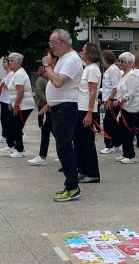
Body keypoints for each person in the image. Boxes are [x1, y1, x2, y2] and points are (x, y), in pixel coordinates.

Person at [43, 28, 84, 201]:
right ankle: (70, 184)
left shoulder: (73, 59)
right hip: (59, 107)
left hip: (66, 107)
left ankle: (73, 187)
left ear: (65, 42)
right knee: (63, 146)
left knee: (65, 147)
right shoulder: (63, 58)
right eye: (50, 43)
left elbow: (58, 81)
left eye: (54, 43)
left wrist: (46, 66)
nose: (51, 47)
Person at [74, 42, 102, 182]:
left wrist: (90, 112)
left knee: (86, 142)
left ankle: (93, 173)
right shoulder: (87, 68)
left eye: (83, 50)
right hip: (81, 108)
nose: (81, 51)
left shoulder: (92, 69)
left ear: (89, 53)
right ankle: (83, 170)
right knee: (79, 141)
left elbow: (92, 91)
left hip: (86, 109)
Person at [113, 52, 139, 164]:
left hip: (131, 107)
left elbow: (131, 93)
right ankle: (126, 153)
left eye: (122, 61)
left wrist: (119, 101)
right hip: (123, 107)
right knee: (123, 130)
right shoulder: (123, 74)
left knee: (127, 130)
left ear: (130, 63)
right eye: (119, 60)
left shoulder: (132, 75)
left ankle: (131, 155)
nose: (119, 63)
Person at [3, 52, 34, 158]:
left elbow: (20, 92)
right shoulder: (16, 73)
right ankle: (14, 146)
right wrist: (12, 104)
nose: (10, 63)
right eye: (9, 61)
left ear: (18, 63)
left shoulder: (20, 74)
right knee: (10, 124)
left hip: (24, 105)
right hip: (19, 104)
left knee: (16, 127)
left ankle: (20, 149)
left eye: (12, 61)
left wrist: (16, 105)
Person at [29, 52, 58, 166]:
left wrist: (48, 104)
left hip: (57, 107)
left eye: (48, 57)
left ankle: (44, 156)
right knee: (48, 130)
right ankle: (43, 156)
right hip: (51, 107)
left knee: (57, 132)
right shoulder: (51, 73)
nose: (45, 58)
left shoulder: (56, 71)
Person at [99, 51, 122, 154]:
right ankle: (117, 143)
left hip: (112, 99)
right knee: (113, 122)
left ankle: (109, 145)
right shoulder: (111, 69)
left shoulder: (112, 70)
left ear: (106, 59)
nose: (102, 61)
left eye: (102, 59)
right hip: (111, 98)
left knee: (108, 123)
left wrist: (109, 99)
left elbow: (115, 86)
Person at [0, 58, 13, 146]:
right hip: (4, 100)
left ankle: (20, 134)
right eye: (3, 62)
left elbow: (11, 87)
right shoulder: (5, 75)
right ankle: (4, 135)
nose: (3, 64)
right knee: (3, 119)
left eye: (5, 62)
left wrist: (3, 85)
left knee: (8, 120)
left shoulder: (11, 74)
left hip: (9, 100)